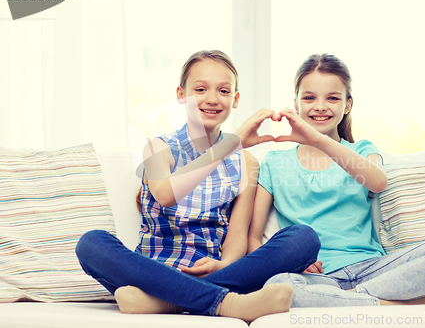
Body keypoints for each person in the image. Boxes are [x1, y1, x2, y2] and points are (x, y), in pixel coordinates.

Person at [76, 50, 320, 322]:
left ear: (235, 99)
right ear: (181, 95)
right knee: (91, 244)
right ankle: (228, 303)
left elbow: (237, 234)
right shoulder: (157, 147)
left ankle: (167, 301)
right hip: (152, 271)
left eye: (224, 91)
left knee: (304, 239)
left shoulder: (247, 162)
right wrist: (229, 145)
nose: (212, 99)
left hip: (212, 271)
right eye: (200, 89)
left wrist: (225, 263)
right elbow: (166, 195)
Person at [248, 53, 425, 307]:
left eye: (332, 98)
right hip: (317, 278)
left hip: (373, 268)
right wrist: (290, 262)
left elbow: (377, 182)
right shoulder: (274, 162)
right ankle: (391, 303)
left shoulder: (362, 150)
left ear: (347, 105)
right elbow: (253, 239)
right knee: (279, 286)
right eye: (309, 98)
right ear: (296, 103)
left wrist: (317, 139)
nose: (320, 106)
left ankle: (350, 301)